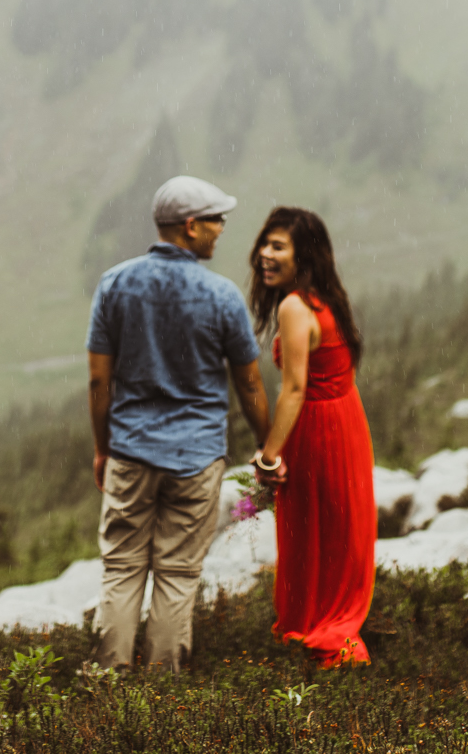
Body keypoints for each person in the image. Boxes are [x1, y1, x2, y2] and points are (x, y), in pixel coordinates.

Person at [86, 173, 271, 671]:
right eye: (215, 221)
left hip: (130, 451)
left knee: (122, 571)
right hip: (195, 459)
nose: (221, 229)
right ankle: (161, 698)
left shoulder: (115, 284)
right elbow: (249, 385)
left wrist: (104, 449)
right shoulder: (223, 296)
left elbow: (99, 383)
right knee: (177, 575)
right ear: (190, 227)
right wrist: (267, 448)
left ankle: (109, 686)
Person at [249, 205, 374, 667]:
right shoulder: (326, 298)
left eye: (277, 246)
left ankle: (320, 625)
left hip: (320, 429)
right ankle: (334, 615)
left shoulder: (294, 306)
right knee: (337, 528)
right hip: (347, 420)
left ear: (303, 255)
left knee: (311, 528)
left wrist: (268, 456)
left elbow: (296, 389)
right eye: (265, 243)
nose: (265, 253)